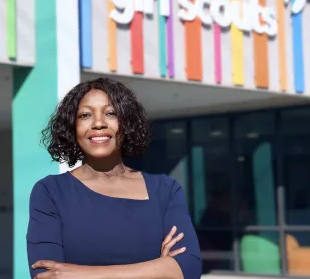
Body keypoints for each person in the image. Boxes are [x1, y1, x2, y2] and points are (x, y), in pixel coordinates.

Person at [26, 77, 202, 279]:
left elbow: (188, 269)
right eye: (85, 115)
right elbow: (46, 276)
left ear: (126, 123)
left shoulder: (165, 190)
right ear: (73, 127)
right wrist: (160, 268)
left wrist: (78, 274)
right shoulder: (50, 192)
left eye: (110, 113)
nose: (98, 123)